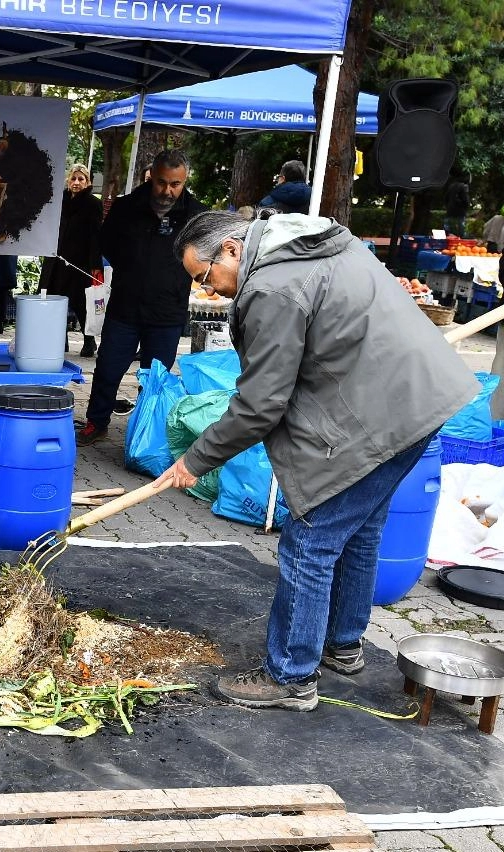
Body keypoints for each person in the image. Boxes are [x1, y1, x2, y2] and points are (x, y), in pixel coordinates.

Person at [157, 210, 478, 711]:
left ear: (232, 250)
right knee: (362, 530)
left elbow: (260, 404)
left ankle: (290, 675)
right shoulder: (313, 241)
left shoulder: (272, 287)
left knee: (310, 541)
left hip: (385, 414)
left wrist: (195, 461)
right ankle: (343, 644)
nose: (209, 290)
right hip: (417, 402)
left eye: (205, 276)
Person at [78, 149, 207, 445]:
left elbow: (205, 257)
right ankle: (97, 422)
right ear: (151, 177)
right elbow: (106, 244)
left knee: (154, 378)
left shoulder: (196, 214)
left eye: (175, 184)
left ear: (184, 181)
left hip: (167, 310)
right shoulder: (126, 207)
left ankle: (144, 431)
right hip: (126, 305)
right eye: (162, 182)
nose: (167, 191)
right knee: (108, 368)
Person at [39, 164, 103, 356]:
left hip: (79, 261)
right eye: (73, 178)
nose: (76, 182)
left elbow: (96, 236)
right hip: (57, 259)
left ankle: (89, 340)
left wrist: (95, 265)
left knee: (81, 303)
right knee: (55, 300)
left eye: (81, 179)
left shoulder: (93, 203)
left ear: (87, 182)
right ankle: (61, 341)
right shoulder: (60, 200)